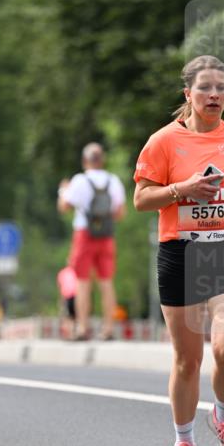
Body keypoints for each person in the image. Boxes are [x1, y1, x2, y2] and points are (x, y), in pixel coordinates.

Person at [133, 54, 224, 446]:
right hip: (181, 254)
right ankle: (184, 444)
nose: (214, 95)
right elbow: (141, 199)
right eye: (205, 88)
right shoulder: (163, 141)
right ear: (188, 94)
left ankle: (223, 418)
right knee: (188, 360)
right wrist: (181, 189)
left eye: (221, 88)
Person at [57, 144, 126, 340]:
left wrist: (62, 191)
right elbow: (120, 213)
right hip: (106, 235)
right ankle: (108, 328)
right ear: (103, 160)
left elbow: (64, 207)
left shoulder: (80, 180)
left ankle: (82, 327)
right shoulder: (113, 181)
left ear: (84, 160)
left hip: (84, 234)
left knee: (82, 281)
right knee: (106, 282)